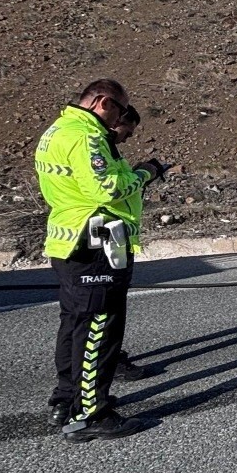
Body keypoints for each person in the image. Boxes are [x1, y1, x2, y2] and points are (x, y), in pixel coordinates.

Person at [35, 79, 168, 441]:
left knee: (74, 323)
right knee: (99, 328)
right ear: (103, 103)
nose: (121, 119)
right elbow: (106, 188)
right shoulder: (87, 136)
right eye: (121, 111)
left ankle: (65, 399)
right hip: (96, 246)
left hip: (68, 241)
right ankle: (92, 413)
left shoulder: (58, 130)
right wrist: (145, 173)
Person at [107, 105, 150, 383]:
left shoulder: (105, 147)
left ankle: (109, 356)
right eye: (127, 131)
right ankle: (106, 362)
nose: (128, 138)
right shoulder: (94, 146)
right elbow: (111, 189)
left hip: (113, 238)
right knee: (104, 312)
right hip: (105, 240)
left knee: (105, 310)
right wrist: (146, 174)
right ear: (116, 120)